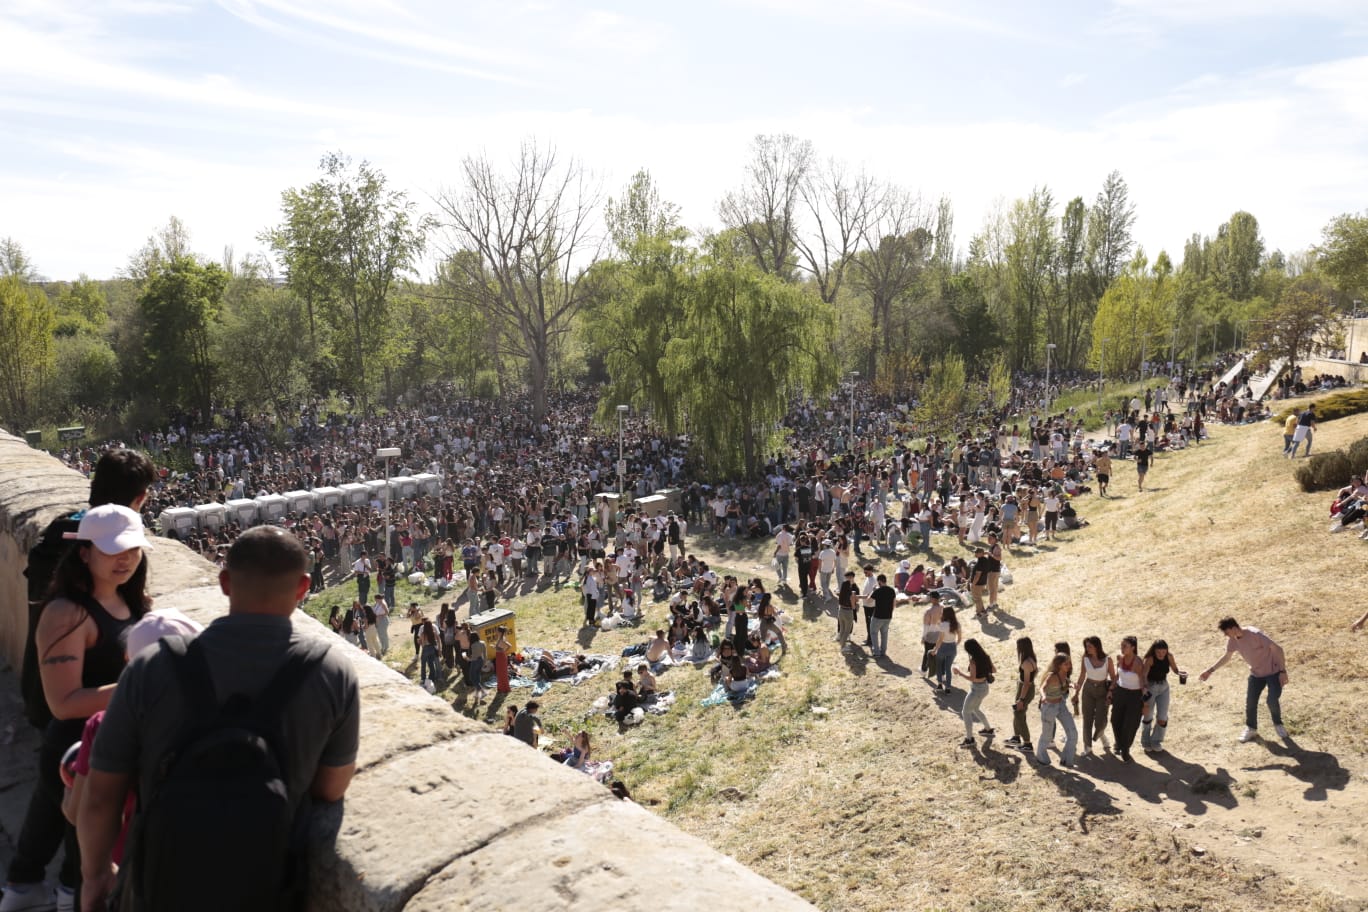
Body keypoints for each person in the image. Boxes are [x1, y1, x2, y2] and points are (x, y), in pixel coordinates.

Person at [78, 526, 360, 912]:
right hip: (265, 885)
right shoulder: (331, 672)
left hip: (159, 883)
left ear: (224, 582)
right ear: (303, 587)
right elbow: (330, 788)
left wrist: (95, 876)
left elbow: (100, 794)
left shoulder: (151, 667)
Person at [5, 503, 152, 912]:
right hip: (79, 753)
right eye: (112, 550)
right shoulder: (67, 613)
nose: (125, 558)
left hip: (112, 749)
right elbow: (63, 703)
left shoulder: (131, 601)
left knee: (58, 838)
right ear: (84, 552)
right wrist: (141, 685)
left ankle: (24, 888)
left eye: (132, 549)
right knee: (84, 871)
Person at [1199, 617, 1289, 742]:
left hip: (1273, 673)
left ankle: (1278, 724)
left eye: (1226, 632)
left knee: (1272, 700)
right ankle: (1251, 729)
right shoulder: (1233, 641)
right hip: (1256, 675)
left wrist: (1283, 671)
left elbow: (1278, 649)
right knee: (1250, 702)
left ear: (1233, 628)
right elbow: (1227, 657)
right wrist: (1210, 671)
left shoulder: (1254, 634)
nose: (1225, 635)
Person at [1072, 636, 1113, 755]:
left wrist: (1110, 691)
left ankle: (1101, 735)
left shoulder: (1107, 660)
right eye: (1086, 646)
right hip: (1088, 689)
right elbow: (1082, 675)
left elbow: (1114, 677)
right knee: (1087, 719)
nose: (1087, 648)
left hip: (1103, 691)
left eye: (1089, 646)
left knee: (1101, 720)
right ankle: (1087, 746)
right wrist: (1076, 693)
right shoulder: (1085, 658)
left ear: (1097, 646)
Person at [1140, 639, 1182, 754]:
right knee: (1148, 716)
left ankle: (1156, 741)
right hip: (1151, 687)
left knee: (1162, 717)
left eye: (1163, 652)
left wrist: (1180, 673)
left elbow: (1174, 668)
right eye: (1159, 652)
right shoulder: (1150, 659)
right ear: (1154, 651)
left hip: (1164, 687)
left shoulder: (1169, 656)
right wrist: (1144, 688)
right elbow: (1144, 675)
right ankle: (1145, 741)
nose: (1161, 654)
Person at [1036, 652, 1078, 767]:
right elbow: (1042, 687)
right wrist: (1043, 696)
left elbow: (1066, 682)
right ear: (1059, 665)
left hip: (1061, 705)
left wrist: (1072, 685)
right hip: (1049, 707)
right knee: (1047, 736)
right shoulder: (1051, 676)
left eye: (1069, 663)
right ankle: (1041, 757)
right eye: (1066, 664)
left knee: (1073, 733)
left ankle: (1066, 761)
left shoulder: (1064, 674)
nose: (1069, 665)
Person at [1109, 636, 1145, 762]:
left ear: (1133, 648)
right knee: (1114, 720)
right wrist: (1111, 689)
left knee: (1129, 724)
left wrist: (1145, 703)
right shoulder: (1120, 658)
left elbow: (1142, 683)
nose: (1122, 648)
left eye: (1125, 646)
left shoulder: (1138, 663)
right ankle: (1119, 743)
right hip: (1120, 692)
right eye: (1121, 645)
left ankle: (1125, 749)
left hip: (1134, 696)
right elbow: (1118, 676)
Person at [954, 639, 995, 747]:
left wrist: (959, 673)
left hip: (976, 690)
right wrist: (985, 672)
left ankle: (969, 739)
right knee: (975, 709)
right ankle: (988, 729)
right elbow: (994, 670)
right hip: (985, 688)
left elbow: (973, 679)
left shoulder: (973, 661)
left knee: (965, 712)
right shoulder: (986, 656)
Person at [1004, 637, 1037, 750]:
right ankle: (1016, 737)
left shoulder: (1027, 663)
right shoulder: (1030, 658)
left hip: (1025, 690)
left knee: (1019, 714)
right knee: (1017, 713)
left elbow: (1027, 683)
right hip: (1022, 688)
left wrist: (1021, 699)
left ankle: (1027, 743)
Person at [931, 606, 961, 693]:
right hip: (952, 647)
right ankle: (948, 687)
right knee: (948, 668)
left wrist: (935, 649)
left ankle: (940, 685)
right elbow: (959, 638)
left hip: (943, 647)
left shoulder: (943, 625)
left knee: (939, 666)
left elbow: (940, 639)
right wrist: (955, 645)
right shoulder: (957, 624)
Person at [869, 574, 896, 658]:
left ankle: (876, 652)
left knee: (874, 633)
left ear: (879, 581)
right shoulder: (892, 590)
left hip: (877, 616)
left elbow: (869, 600)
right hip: (888, 616)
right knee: (884, 634)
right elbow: (894, 604)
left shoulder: (878, 591)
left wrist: (873, 590)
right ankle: (883, 651)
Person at [836, 570, 858, 650]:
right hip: (848, 611)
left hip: (841, 610)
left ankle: (841, 644)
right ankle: (843, 646)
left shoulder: (843, 584)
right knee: (847, 630)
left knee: (842, 628)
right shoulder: (852, 587)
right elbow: (855, 598)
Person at [493, 626, 512, 695]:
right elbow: (499, 647)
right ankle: (501, 687)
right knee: (500, 672)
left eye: (497, 631)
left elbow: (509, 646)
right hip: (499, 656)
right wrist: (495, 647)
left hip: (501, 656)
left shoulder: (502, 639)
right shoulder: (500, 638)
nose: (496, 632)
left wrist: (504, 651)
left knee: (502, 673)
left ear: (500, 632)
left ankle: (505, 688)